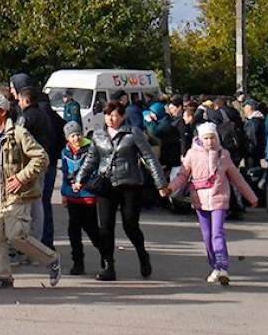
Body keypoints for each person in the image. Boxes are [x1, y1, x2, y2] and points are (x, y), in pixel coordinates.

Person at [76, 101, 167, 281]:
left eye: (115, 115)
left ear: (123, 116)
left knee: (130, 224)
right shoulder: (98, 135)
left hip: (129, 184)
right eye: (108, 115)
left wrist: (161, 184)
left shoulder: (133, 133)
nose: (111, 118)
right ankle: (108, 265)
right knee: (105, 228)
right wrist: (80, 179)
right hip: (106, 185)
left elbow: (149, 157)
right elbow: (91, 159)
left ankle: (142, 254)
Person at [0, 94, 61, 290]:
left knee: (17, 236)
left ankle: (52, 259)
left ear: (3, 112)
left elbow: (41, 158)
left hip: (16, 194)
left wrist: (21, 177)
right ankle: (3, 277)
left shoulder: (19, 133)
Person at [165, 123, 258, 285]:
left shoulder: (224, 155)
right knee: (207, 236)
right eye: (206, 138)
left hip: (219, 199)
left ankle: (223, 267)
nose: (210, 141)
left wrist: (252, 197)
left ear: (217, 138)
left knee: (217, 234)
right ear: (200, 139)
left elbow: (237, 178)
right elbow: (182, 176)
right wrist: (169, 188)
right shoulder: (192, 154)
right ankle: (214, 266)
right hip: (199, 201)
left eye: (212, 137)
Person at [16, 87, 63, 248]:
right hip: (46, 163)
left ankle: (33, 243)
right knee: (41, 203)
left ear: (25, 100)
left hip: (32, 165)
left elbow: (17, 140)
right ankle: (40, 241)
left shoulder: (27, 117)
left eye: (20, 100)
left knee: (33, 205)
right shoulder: (46, 115)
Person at [59, 122, 102, 275]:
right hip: (72, 196)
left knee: (92, 229)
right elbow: (65, 174)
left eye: (78, 134)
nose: (76, 138)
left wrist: (86, 186)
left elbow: (94, 172)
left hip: (87, 195)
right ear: (67, 138)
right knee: (74, 230)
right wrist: (64, 194)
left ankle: (106, 255)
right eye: (72, 136)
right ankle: (78, 262)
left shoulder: (91, 149)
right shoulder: (65, 152)